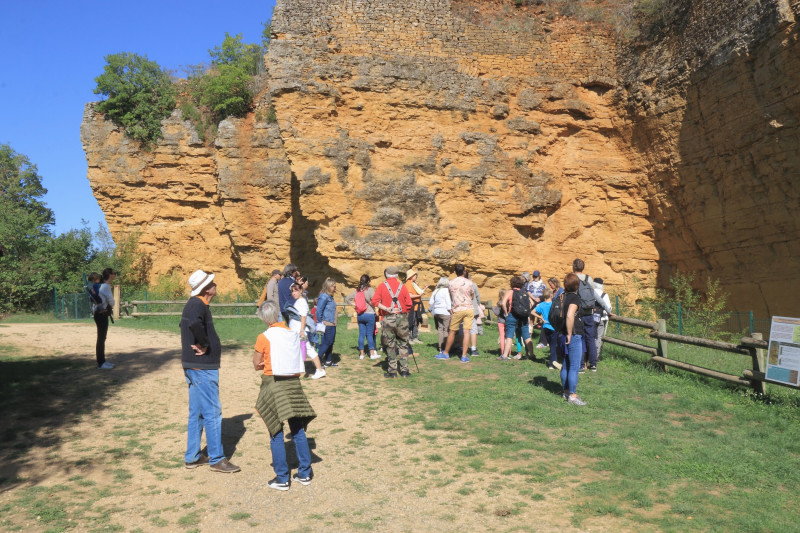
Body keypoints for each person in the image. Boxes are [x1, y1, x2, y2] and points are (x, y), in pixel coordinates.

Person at [180, 269, 241, 473]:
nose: (215, 285)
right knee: (213, 412)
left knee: (197, 413)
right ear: (206, 288)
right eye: (212, 283)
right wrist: (204, 344)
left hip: (197, 367)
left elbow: (188, 324)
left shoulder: (196, 304)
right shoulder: (197, 304)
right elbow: (193, 324)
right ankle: (217, 458)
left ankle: (193, 457)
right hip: (202, 368)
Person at [253, 301, 316, 490]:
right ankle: (304, 473)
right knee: (297, 430)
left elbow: (256, 363)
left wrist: (264, 363)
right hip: (293, 385)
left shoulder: (264, 337)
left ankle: (282, 478)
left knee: (276, 431)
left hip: (274, 384)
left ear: (265, 319)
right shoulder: (293, 334)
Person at [371, 266, 413, 377]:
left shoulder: (382, 286)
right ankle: (404, 371)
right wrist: (403, 314)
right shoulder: (402, 286)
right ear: (396, 275)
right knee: (403, 344)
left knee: (390, 345)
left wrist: (387, 308)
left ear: (386, 275)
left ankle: (392, 371)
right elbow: (409, 304)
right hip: (402, 317)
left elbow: (374, 301)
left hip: (388, 317)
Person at [572, 258, 611, 372]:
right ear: (583, 267)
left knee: (579, 339)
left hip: (578, 314)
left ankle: (581, 365)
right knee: (590, 339)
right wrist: (608, 310)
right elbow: (596, 297)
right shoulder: (589, 279)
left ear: (574, 267)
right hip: (589, 313)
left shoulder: (572, 278)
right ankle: (593, 364)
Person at [558, 273, 587, 406]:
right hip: (573, 335)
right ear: (577, 285)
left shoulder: (562, 297)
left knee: (566, 364)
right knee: (574, 366)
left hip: (562, 333)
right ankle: (573, 396)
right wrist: (570, 333)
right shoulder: (575, 298)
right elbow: (570, 315)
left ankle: (565, 391)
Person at [287, 282, 326, 379]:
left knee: (309, 349)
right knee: (300, 350)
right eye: (292, 291)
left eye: (296, 291)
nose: (293, 293)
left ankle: (319, 370)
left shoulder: (302, 302)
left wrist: (301, 331)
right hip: (296, 330)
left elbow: (303, 317)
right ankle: (297, 370)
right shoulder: (299, 301)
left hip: (299, 331)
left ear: (301, 291)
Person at [435, 263, 473, 363]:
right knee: (466, 332)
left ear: (455, 272)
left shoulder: (451, 283)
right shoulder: (469, 282)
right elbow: (472, 295)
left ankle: (445, 353)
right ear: (464, 271)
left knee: (452, 331)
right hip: (469, 308)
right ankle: (464, 356)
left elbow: (451, 296)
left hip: (457, 309)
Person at [499, 276, 533, 360]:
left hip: (512, 315)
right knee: (526, 336)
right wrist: (525, 312)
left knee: (509, 335)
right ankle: (532, 354)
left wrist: (506, 313)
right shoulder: (524, 292)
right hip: (523, 316)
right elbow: (532, 303)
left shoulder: (510, 292)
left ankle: (505, 355)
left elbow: (503, 303)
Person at [345, 274, 379, 360]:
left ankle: (361, 354)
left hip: (360, 315)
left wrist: (355, 305)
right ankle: (372, 354)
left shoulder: (357, 290)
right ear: (368, 281)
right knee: (369, 334)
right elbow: (374, 301)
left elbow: (347, 299)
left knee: (361, 334)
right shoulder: (370, 289)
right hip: (370, 314)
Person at [93, 267, 116, 369]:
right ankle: (101, 363)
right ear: (110, 275)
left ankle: (102, 361)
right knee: (101, 338)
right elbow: (111, 301)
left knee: (102, 338)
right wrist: (112, 303)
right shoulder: (106, 286)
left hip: (100, 314)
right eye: (114, 273)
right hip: (101, 314)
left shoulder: (103, 285)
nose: (115, 275)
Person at [533, 287, 560, 370]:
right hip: (553, 327)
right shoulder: (554, 304)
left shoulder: (541, 305)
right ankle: (552, 363)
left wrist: (540, 317)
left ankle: (553, 361)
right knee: (553, 346)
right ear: (551, 295)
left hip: (545, 327)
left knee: (551, 346)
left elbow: (532, 312)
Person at [316, 278, 339, 367]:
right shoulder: (324, 296)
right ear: (328, 286)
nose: (334, 288)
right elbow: (319, 310)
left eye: (335, 286)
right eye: (333, 286)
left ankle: (328, 361)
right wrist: (320, 322)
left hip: (332, 323)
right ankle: (317, 359)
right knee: (327, 342)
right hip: (327, 323)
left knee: (330, 342)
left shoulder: (330, 297)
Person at [428, 277, 452, 353]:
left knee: (440, 330)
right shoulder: (446, 291)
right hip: (445, 312)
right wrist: (450, 310)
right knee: (446, 330)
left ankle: (440, 347)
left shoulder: (436, 290)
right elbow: (448, 302)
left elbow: (430, 302)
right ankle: (445, 347)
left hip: (437, 312)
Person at [593, 277, 612, 361]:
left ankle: (588, 354)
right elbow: (608, 307)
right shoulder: (604, 295)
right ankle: (595, 356)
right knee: (598, 337)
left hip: (590, 317)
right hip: (601, 318)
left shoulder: (590, 292)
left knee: (590, 336)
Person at [405, 269, 426, 344]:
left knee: (416, 321)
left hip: (416, 305)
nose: (416, 276)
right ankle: (409, 338)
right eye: (414, 275)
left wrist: (423, 289)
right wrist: (419, 295)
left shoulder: (413, 284)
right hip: (411, 305)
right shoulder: (408, 284)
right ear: (411, 276)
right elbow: (410, 295)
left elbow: (417, 292)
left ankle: (415, 337)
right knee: (411, 321)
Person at [468, 271, 482, 357]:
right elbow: (477, 297)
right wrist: (478, 304)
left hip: (461, 309)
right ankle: (473, 349)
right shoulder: (473, 285)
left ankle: (461, 347)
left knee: (462, 329)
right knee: (473, 329)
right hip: (472, 309)